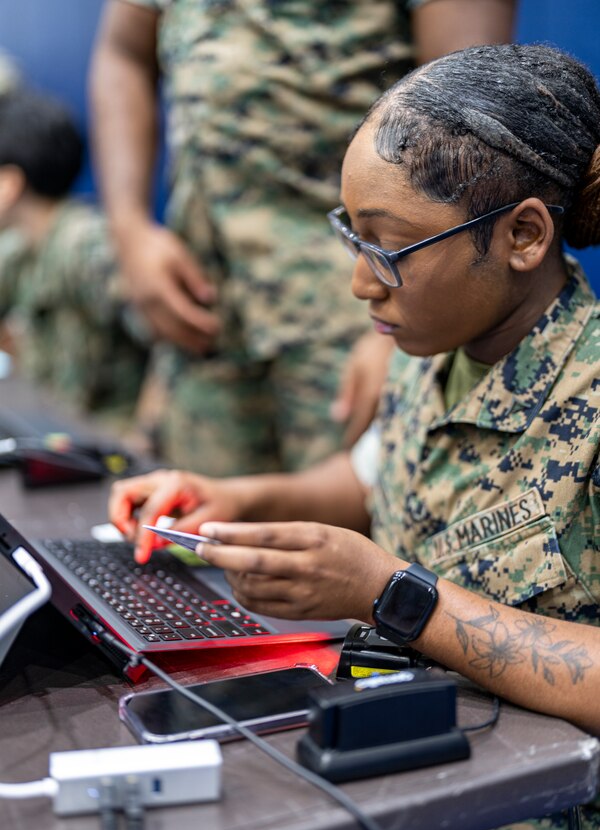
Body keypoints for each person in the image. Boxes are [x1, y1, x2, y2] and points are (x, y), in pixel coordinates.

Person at [109, 43, 600, 830]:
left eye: (389, 246)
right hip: (386, 811)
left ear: (523, 235)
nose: (358, 284)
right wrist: (236, 498)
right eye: (353, 235)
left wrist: (395, 595)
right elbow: (378, 478)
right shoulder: (434, 342)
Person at [89, 0, 516, 476]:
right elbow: (124, 52)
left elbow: (476, 109)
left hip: (354, 314)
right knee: (197, 530)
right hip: (204, 308)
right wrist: (128, 227)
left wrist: (401, 332)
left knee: (352, 528)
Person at [0, 88, 149, 427]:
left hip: (111, 443)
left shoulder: (88, 245)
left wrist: (145, 436)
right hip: (61, 437)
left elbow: (170, 346)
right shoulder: (19, 251)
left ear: (8, 185)